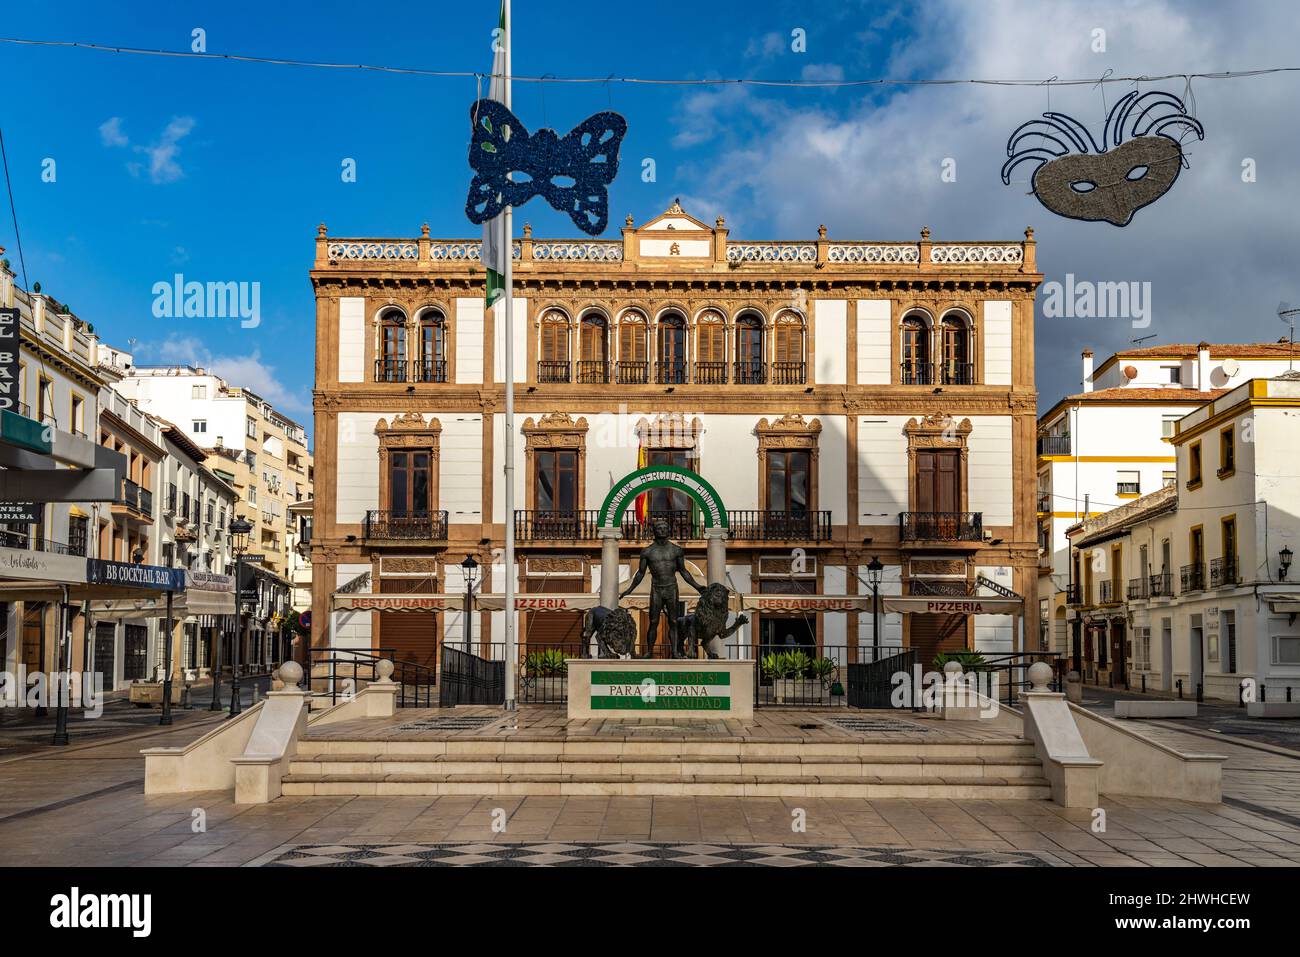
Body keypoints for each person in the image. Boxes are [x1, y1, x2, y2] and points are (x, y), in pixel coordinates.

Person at [619, 517, 704, 658]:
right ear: (654, 531)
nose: (662, 530)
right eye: (659, 528)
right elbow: (640, 574)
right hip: (656, 588)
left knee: (674, 621)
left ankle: (675, 652)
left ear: (668, 531)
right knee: (653, 621)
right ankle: (650, 651)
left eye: (665, 528)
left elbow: (684, 571)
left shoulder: (677, 550)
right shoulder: (647, 551)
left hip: (671, 588)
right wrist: (629, 590)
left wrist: (697, 586)